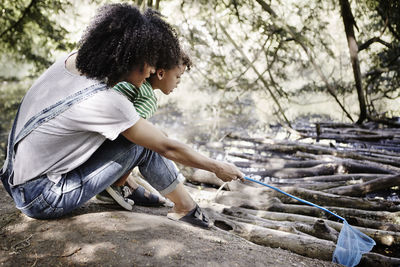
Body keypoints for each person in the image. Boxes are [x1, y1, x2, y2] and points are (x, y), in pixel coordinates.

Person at [0, 3, 243, 229]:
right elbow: (166, 148)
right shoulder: (107, 101)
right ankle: (186, 207)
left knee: (137, 132)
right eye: (149, 62)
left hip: (14, 179)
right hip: (41, 197)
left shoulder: (71, 62)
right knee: (143, 144)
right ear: (128, 56)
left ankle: (120, 184)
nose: (150, 70)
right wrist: (216, 167)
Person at [96, 51, 192, 207]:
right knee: (147, 140)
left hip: (96, 140)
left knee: (155, 134)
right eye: (178, 76)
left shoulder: (128, 82)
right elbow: (133, 133)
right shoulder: (147, 97)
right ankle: (116, 185)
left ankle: (127, 184)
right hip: (105, 149)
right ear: (160, 73)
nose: (179, 82)